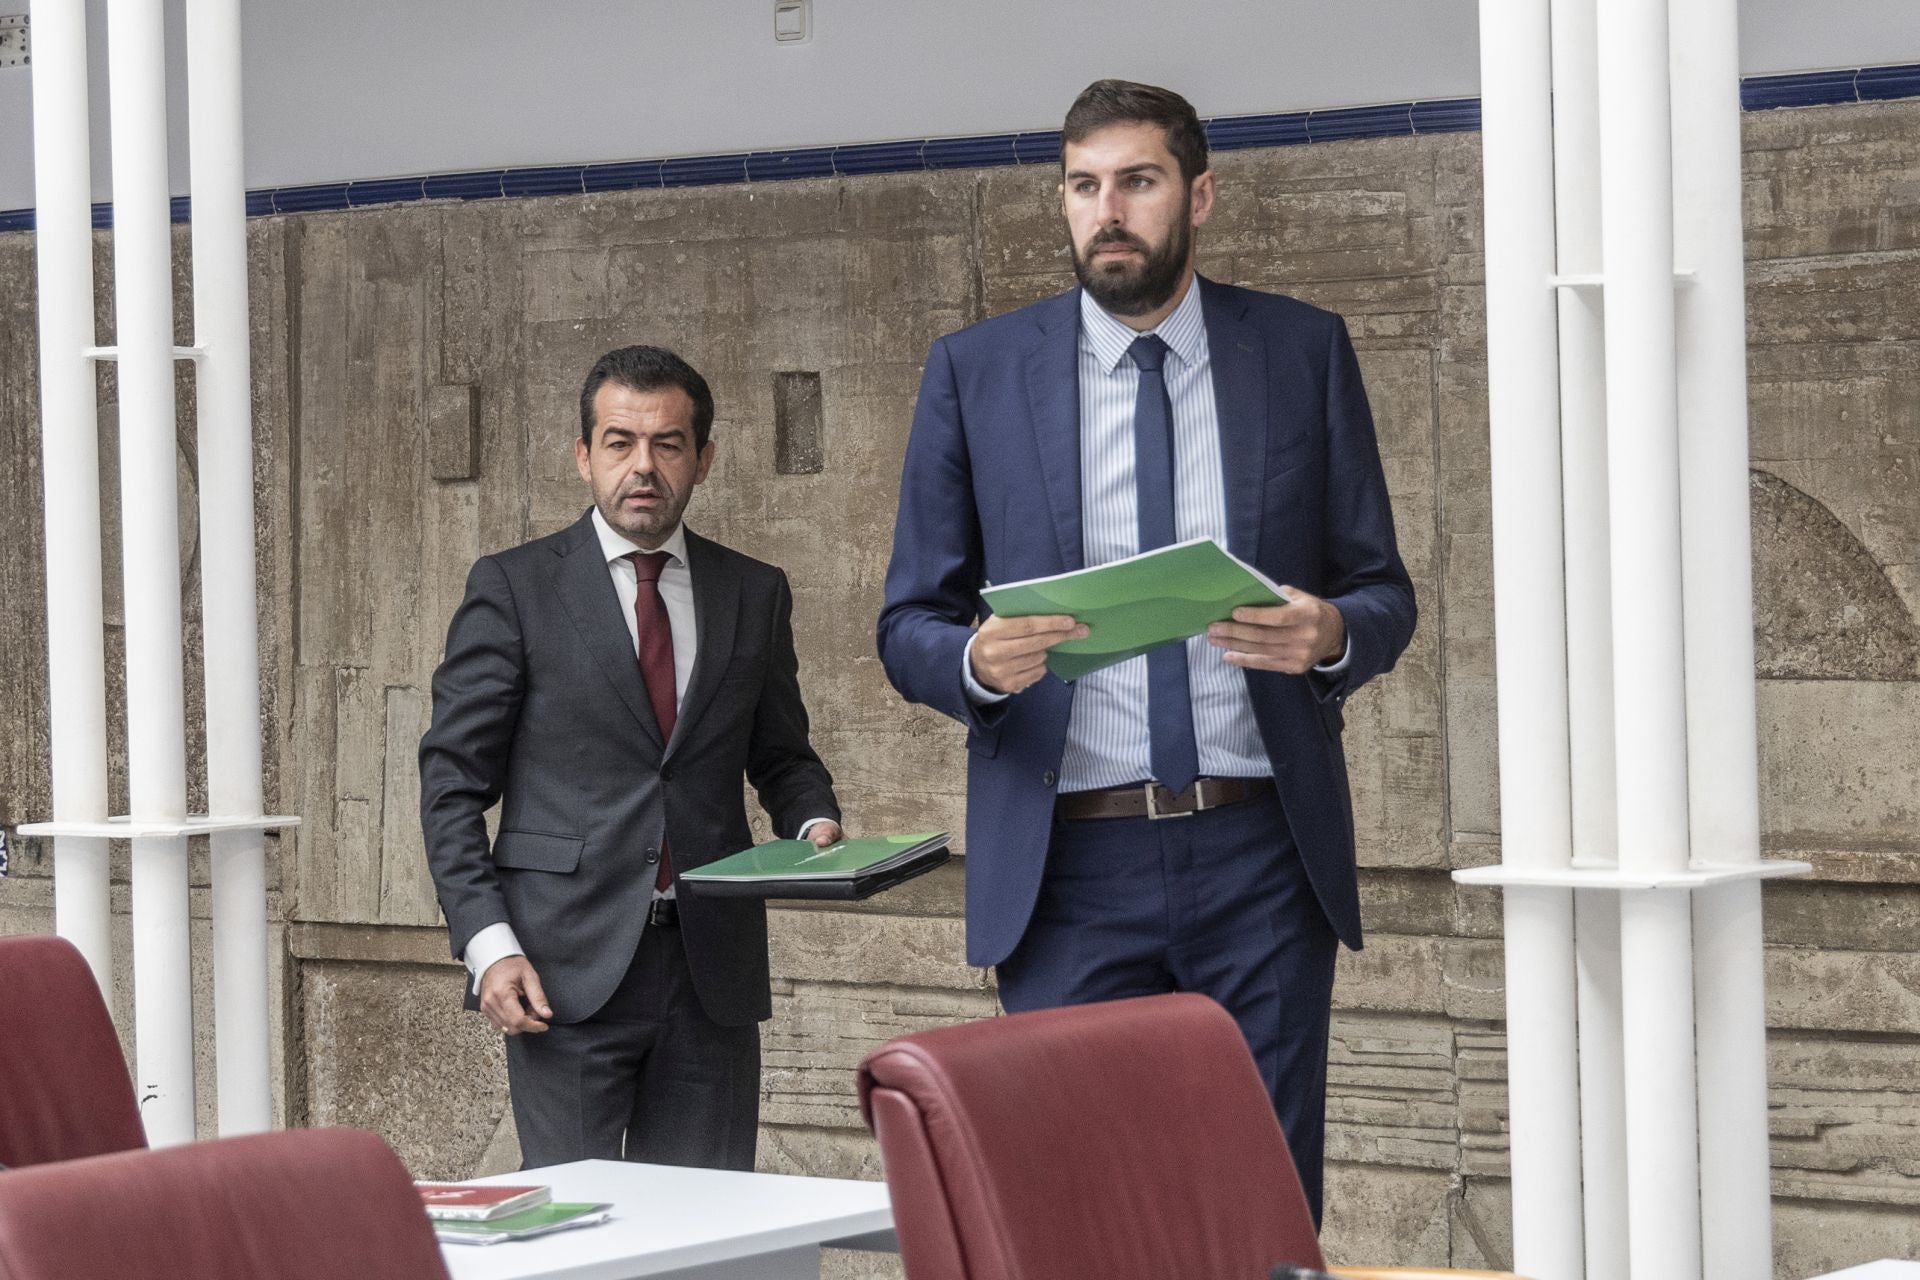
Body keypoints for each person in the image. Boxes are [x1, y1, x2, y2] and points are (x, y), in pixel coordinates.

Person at [875, 79, 1415, 1221]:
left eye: (1137, 180)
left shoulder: (1302, 351)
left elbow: (1383, 592)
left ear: (1200, 194)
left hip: (1262, 849)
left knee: (1260, 1203)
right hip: (1069, 865)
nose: (1106, 210)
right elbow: (906, 622)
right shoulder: (976, 372)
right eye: (1083, 185)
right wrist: (976, 662)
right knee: (1074, 1207)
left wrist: (1332, 634)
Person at [421, 345, 842, 1171]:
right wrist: (487, 943)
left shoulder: (755, 592)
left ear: (704, 458)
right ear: (584, 456)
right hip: (561, 972)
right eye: (619, 442)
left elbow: (784, 755)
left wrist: (816, 819)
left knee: (706, 1239)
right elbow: (450, 787)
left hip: (710, 972)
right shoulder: (513, 588)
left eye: (668, 443)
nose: (642, 466)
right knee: (580, 1239)